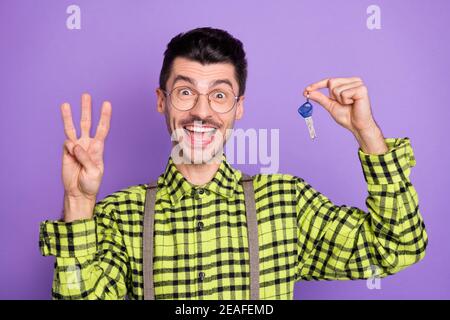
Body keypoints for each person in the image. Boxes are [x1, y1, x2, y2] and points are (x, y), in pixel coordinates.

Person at [39, 27, 428, 300]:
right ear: (162, 100)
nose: (202, 112)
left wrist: (368, 134)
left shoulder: (286, 203)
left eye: (220, 96)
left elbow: (395, 248)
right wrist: (77, 201)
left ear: (239, 108)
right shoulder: (120, 215)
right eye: (186, 92)